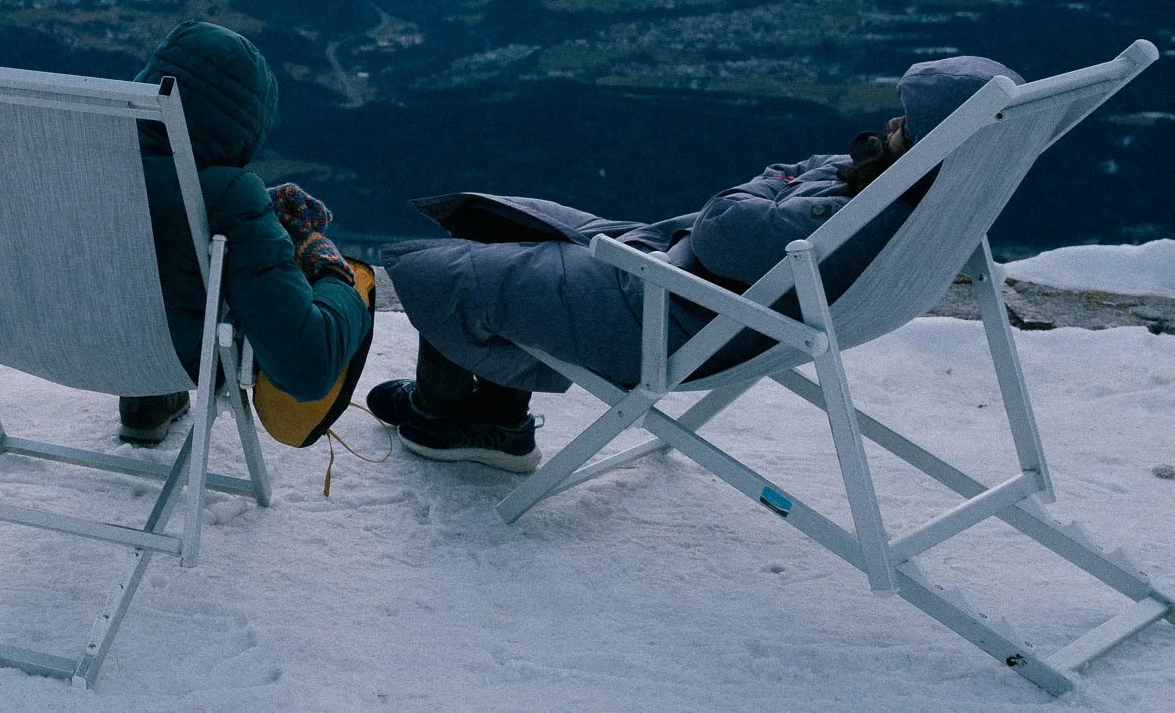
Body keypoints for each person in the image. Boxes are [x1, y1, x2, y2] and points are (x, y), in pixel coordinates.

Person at [370, 55, 1022, 473]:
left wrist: (770, 184)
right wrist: (784, 186)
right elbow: (774, 199)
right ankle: (491, 413)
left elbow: (727, 227)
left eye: (906, 125)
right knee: (500, 219)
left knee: (445, 269)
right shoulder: (913, 199)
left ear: (934, 146)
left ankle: (447, 415)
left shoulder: (862, 211)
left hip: (672, 310)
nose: (889, 125)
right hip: (696, 291)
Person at [118, 20, 377, 446]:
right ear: (246, 131)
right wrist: (332, 273)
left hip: (29, 335)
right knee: (349, 285)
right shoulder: (228, 198)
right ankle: (153, 379)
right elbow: (306, 367)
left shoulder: (62, 154)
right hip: (177, 356)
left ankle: (146, 397)